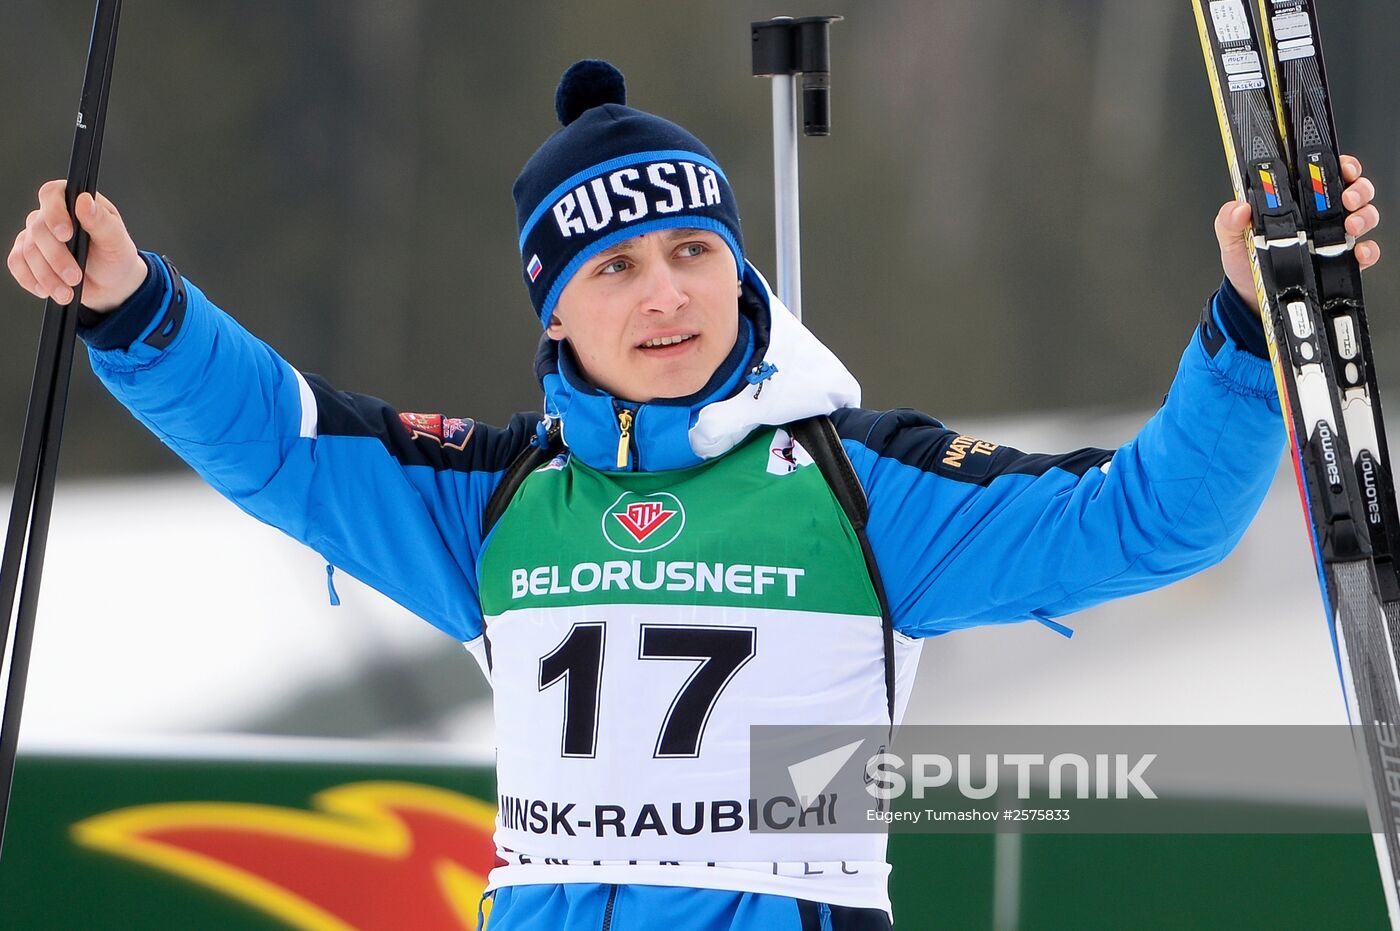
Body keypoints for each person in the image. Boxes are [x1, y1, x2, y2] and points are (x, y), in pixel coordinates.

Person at [5, 59, 1384, 930]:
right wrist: (128, 302)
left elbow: (1151, 522)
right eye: (611, 270)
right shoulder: (492, 502)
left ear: (740, 270)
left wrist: (1248, 326)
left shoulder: (859, 483)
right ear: (555, 319)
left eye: (690, 252)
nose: (663, 292)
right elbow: (285, 444)